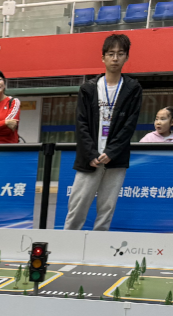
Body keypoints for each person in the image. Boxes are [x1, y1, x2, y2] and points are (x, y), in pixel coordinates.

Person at [64, 33, 142, 232]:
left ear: (127, 57)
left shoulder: (132, 88)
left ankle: (98, 245)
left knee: (107, 208)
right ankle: (67, 243)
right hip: (90, 158)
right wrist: (91, 153)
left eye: (120, 54)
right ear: (103, 57)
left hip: (115, 158)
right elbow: (81, 124)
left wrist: (112, 152)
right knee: (77, 207)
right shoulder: (88, 88)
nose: (115, 58)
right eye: (111, 54)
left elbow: (129, 124)